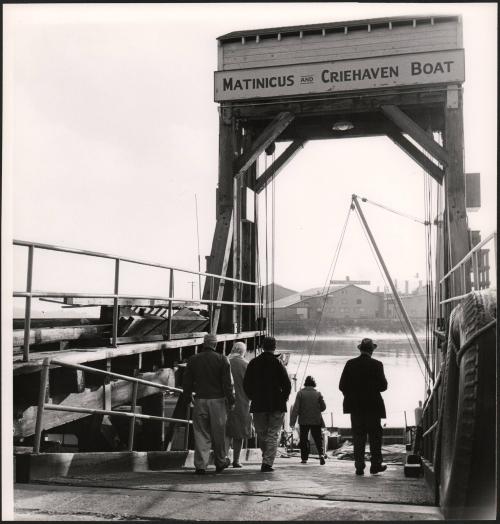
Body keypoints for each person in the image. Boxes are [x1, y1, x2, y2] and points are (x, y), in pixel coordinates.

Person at [183, 333, 235, 475]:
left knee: (200, 433)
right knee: (219, 434)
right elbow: (227, 384)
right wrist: (231, 401)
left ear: (203, 344)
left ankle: (201, 465)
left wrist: (188, 397)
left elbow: (186, 382)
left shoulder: (193, 360)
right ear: (215, 344)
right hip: (217, 401)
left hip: (200, 400)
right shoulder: (222, 359)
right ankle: (220, 461)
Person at [339, 338, 388, 476]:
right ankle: (375, 465)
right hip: (373, 407)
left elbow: (342, 386)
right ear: (372, 350)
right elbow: (383, 386)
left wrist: (350, 395)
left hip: (355, 408)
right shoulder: (377, 364)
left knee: (358, 437)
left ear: (360, 349)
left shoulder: (350, 364)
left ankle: (359, 466)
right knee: (375, 437)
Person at [243, 336, 292, 472]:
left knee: (262, 433)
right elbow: (287, 385)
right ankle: (267, 462)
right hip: (276, 404)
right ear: (274, 347)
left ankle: (266, 457)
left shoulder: (253, 363)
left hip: (258, 404)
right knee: (273, 433)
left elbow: (246, 384)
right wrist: (283, 398)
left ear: (262, 347)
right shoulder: (278, 363)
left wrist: (253, 397)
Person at [226, 341, 252, 468]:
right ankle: (236, 460)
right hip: (242, 402)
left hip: (224, 401)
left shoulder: (225, 362)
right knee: (239, 433)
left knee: (225, 431)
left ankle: (223, 457)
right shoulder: (246, 365)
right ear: (243, 352)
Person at [290, 375, 327, 465]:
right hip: (316, 420)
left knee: (303, 439)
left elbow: (296, 409)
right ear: (314, 384)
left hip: (304, 420)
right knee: (318, 438)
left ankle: (304, 458)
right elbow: (323, 407)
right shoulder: (318, 393)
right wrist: (317, 409)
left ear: (305, 383)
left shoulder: (300, 393)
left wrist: (292, 422)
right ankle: (321, 455)